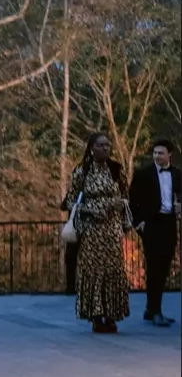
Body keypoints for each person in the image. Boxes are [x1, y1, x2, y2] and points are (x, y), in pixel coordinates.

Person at [63, 133, 130, 333]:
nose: (105, 149)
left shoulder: (116, 170)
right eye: (100, 145)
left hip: (112, 229)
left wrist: (116, 204)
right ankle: (96, 315)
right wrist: (90, 210)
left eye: (107, 145)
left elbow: (126, 196)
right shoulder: (82, 171)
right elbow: (70, 201)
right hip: (91, 230)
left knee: (113, 271)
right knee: (93, 271)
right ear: (92, 148)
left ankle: (111, 314)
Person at [130, 138, 180, 327]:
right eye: (155, 153)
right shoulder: (144, 174)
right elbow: (132, 200)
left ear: (169, 155)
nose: (157, 156)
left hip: (169, 223)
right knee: (153, 268)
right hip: (152, 224)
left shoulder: (177, 174)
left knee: (164, 267)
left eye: (161, 153)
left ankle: (151, 310)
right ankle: (155, 310)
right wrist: (138, 223)